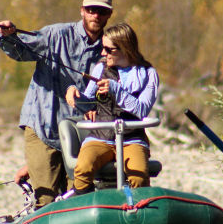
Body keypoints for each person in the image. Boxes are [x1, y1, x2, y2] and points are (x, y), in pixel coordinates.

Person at [0, 0, 113, 206]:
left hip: (80, 135)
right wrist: (7, 36)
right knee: (46, 200)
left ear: (109, 14)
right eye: (91, 9)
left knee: (78, 200)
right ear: (82, 10)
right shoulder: (55, 34)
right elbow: (21, 50)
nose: (96, 15)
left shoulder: (110, 49)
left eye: (102, 11)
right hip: (43, 126)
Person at [65, 22, 159, 193]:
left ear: (125, 49)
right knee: (83, 169)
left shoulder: (148, 73)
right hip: (100, 137)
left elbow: (142, 110)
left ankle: (137, 205)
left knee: (138, 177)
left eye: (108, 50)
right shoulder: (101, 68)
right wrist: (74, 93)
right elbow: (88, 101)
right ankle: (83, 200)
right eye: (103, 48)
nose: (103, 53)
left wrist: (116, 89)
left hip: (132, 138)